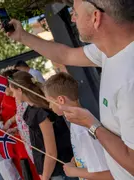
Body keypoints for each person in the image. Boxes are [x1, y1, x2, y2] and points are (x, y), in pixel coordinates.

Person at [7, 0, 134, 178]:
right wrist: (22, 36)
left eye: (75, 13)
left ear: (96, 17)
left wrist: (92, 125)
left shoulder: (129, 79)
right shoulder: (109, 51)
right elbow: (64, 54)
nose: (73, 18)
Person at [44, 72, 113, 179]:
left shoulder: (82, 129)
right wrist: (76, 159)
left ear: (60, 100)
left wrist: (73, 172)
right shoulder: (77, 123)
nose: (49, 106)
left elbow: (107, 174)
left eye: (50, 102)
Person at [10, 71, 74, 180]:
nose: (13, 95)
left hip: (59, 171)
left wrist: (45, 176)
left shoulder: (40, 113)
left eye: (13, 92)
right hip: (50, 170)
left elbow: (51, 152)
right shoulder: (30, 110)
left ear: (20, 90)